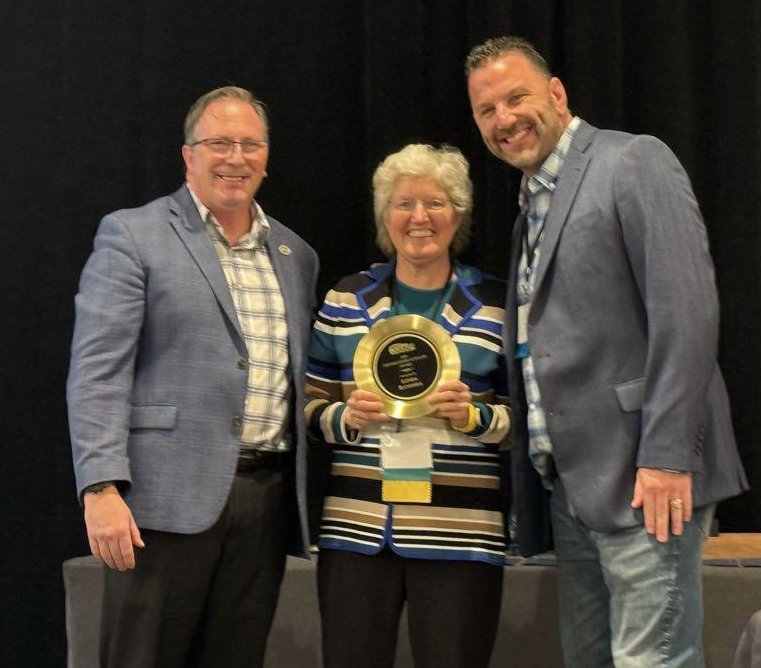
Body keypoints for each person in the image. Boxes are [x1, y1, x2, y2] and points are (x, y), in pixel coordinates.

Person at [466, 37, 748, 667]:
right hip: (573, 483)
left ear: (557, 93)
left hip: (647, 477)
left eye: (517, 97)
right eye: (487, 110)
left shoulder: (631, 161)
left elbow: (687, 311)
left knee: (655, 660)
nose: (504, 119)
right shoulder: (527, 208)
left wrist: (669, 454)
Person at [67, 86, 319, 668]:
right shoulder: (133, 235)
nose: (236, 157)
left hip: (266, 499)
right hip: (161, 502)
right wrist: (101, 485)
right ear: (188, 156)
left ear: (266, 156)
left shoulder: (294, 254)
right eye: (219, 143)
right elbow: (97, 372)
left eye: (250, 144)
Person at [305, 143, 510, 668]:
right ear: (384, 217)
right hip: (356, 532)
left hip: (461, 536)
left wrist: (475, 416)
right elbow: (308, 407)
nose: (419, 217)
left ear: (458, 214)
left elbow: (527, 421)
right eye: (403, 204)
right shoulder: (345, 300)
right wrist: (344, 419)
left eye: (436, 203)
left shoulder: (498, 305)